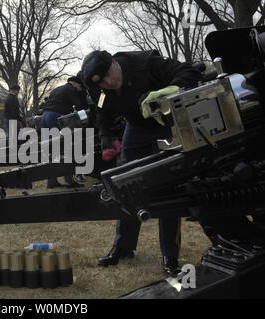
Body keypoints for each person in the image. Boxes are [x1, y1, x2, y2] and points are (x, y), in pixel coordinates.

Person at [81, 50, 201, 276]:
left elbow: (188, 72)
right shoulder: (98, 89)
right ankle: (123, 247)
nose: (109, 82)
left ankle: (170, 255)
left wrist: (169, 91)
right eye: (103, 81)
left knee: (168, 188)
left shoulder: (145, 64)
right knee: (125, 186)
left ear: (115, 62)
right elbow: (102, 113)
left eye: (109, 74)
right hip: (135, 127)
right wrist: (107, 139)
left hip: (167, 124)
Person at [41, 75, 88, 188]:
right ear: (76, 83)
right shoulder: (71, 89)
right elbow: (79, 106)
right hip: (56, 117)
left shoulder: (57, 89)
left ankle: (51, 181)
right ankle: (69, 180)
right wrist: (85, 119)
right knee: (65, 149)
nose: (80, 88)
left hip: (44, 117)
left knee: (52, 151)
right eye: (80, 86)